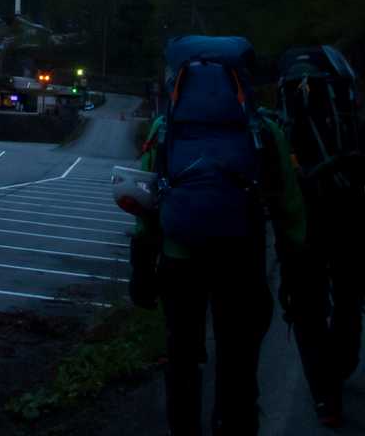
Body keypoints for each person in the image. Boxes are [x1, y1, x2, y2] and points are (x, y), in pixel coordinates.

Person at [129, 35, 306, 436]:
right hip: (241, 261)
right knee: (238, 361)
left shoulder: (165, 129)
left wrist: (141, 267)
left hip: (179, 261)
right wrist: (295, 268)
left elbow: (146, 203)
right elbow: (290, 208)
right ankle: (233, 424)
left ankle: (183, 428)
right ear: (241, 82)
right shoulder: (263, 131)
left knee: (181, 358)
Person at [275, 45, 365, 429]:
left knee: (307, 311)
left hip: (302, 232)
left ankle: (325, 398)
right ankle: (342, 365)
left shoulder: (282, 127)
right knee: (349, 303)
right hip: (352, 224)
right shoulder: (354, 124)